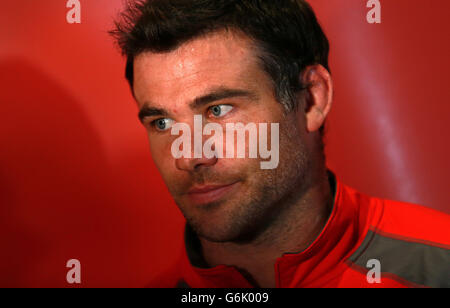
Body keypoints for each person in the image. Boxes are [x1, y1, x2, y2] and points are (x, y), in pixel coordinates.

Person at [111, 0, 450, 288]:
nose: (189, 156)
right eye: (163, 123)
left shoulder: (438, 263)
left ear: (311, 100)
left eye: (218, 110)